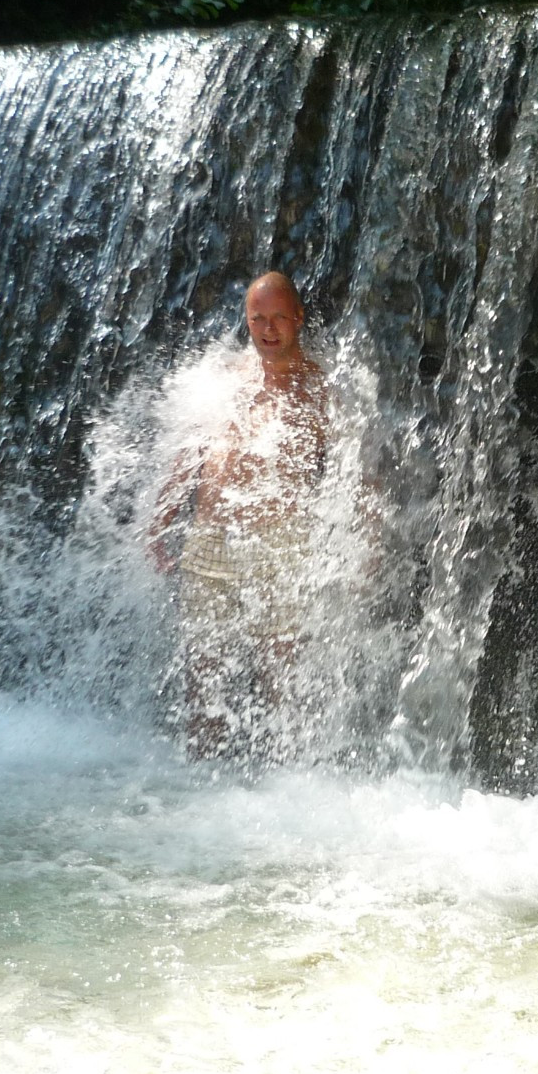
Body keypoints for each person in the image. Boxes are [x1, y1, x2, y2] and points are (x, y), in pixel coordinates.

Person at [147, 272, 330, 759]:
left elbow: (364, 475)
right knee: (202, 682)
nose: (268, 329)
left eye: (277, 319)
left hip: (281, 544)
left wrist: (365, 546)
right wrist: (162, 519)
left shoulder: (322, 389)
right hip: (210, 540)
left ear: (298, 318)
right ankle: (200, 783)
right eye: (257, 319)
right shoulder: (227, 376)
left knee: (280, 681)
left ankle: (280, 790)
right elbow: (190, 451)